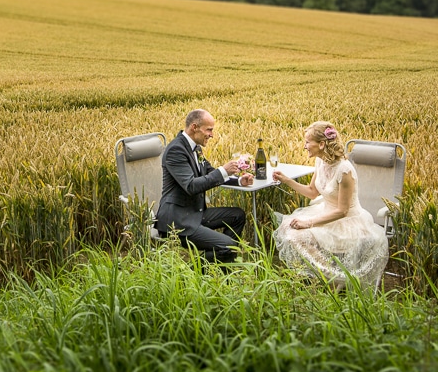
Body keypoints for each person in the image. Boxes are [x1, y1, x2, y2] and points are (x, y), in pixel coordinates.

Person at [271, 122, 388, 289]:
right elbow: (312, 192)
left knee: (295, 236)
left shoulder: (344, 170)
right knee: (287, 229)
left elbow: (343, 210)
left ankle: (334, 278)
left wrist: (308, 223)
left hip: (347, 222)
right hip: (325, 214)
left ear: (322, 144)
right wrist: (287, 180)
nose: (304, 146)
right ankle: (334, 276)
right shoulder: (320, 162)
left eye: (307, 142)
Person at [156, 108, 253, 263]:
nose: (212, 134)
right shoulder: (176, 150)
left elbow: (209, 172)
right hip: (178, 220)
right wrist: (223, 170)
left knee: (237, 215)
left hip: (194, 213)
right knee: (228, 246)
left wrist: (239, 181)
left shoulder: (195, 147)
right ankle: (196, 268)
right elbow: (191, 186)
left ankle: (221, 259)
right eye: (209, 130)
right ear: (194, 127)